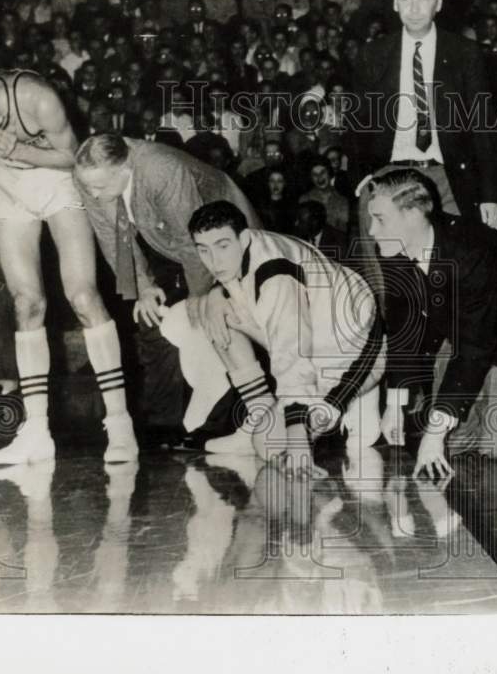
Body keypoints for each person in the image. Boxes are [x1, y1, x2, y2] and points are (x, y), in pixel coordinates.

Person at [0, 69, 138, 465]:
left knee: (82, 296)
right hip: (6, 189)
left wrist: (20, 151)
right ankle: (37, 432)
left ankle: (120, 423)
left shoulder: (38, 99)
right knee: (26, 303)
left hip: (56, 181)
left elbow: (73, 157)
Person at [364, 168, 497, 477]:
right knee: (454, 443)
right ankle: (486, 404)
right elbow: (402, 329)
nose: (371, 231)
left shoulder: (472, 249)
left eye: (380, 219)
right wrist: (395, 404)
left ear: (412, 215)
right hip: (467, 332)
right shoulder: (394, 248)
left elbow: (476, 346)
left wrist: (435, 432)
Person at [156, 201, 385, 476]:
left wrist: (298, 441)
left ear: (244, 237)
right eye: (203, 250)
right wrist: (216, 293)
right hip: (317, 337)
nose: (214, 261)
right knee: (213, 310)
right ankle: (259, 415)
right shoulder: (247, 249)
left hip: (355, 353)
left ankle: (356, 402)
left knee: (272, 447)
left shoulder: (276, 275)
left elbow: (292, 353)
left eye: (222, 246)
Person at [73, 133, 261, 439]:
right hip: (164, 240)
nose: (92, 194)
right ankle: (164, 424)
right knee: (150, 318)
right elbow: (111, 237)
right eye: (88, 187)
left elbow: (194, 243)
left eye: (100, 187)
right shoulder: (89, 176)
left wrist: (199, 297)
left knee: (217, 320)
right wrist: (144, 286)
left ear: (125, 168)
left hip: (219, 238)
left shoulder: (161, 169)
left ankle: (222, 423)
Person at [351, 0, 497, 229]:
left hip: (448, 178)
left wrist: (491, 196)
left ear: (439, 2)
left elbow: (484, 128)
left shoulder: (465, 53)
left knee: (452, 265)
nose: (414, 9)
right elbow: (356, 123)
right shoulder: (373, 54)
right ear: (396, 2)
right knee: (394, 268)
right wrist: (361, 177)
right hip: (390, 177)